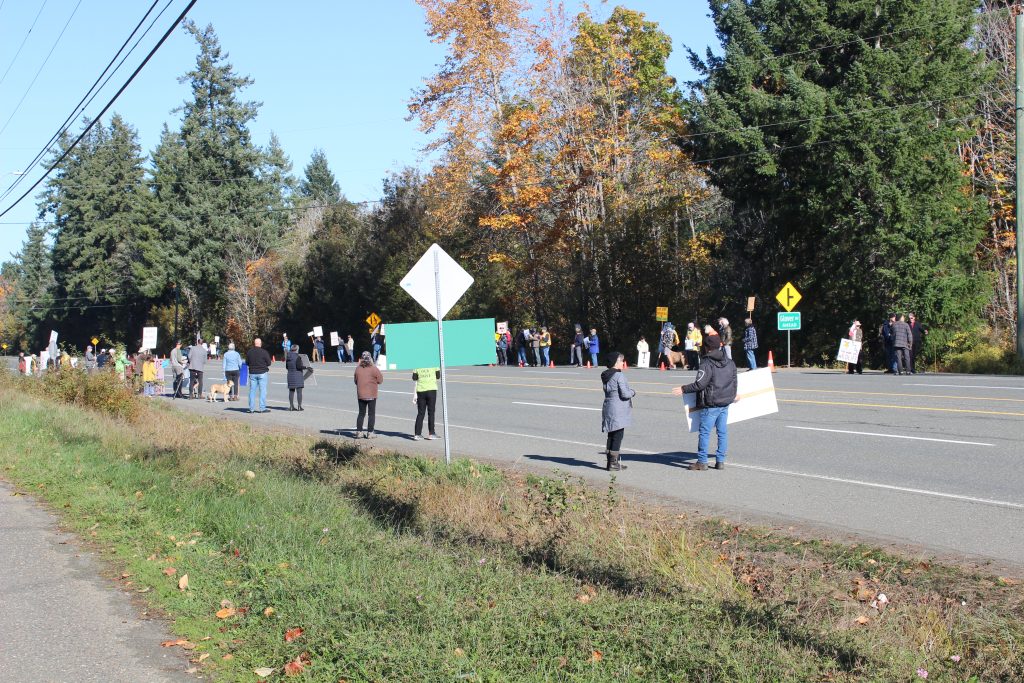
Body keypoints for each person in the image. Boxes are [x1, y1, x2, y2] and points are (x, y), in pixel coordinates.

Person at [673, 334, 738, 471]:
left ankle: (702, 462)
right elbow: (734, 382)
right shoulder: (730, 362)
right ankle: (720, 461)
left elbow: (700, 385)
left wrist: (683, 389)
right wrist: (732, 397)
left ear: (707, 348)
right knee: (722, 432)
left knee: (705, 432)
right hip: (725, 403)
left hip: (711, 404)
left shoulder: (706, 363)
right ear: (720, 345)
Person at [600, 351, 635, 472]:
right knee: (618, 436)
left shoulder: (606, 375)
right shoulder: (619, 376)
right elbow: (625, 394)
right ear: (616, 362)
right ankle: (613, 464)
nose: (623, 363)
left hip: (609, 406)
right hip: (618, 409)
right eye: (621, 361)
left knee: (611, 435)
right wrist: (633, 392)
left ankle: (610, 462)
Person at [354, 351, 383, 438]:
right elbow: (380, 380)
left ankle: (359, 432)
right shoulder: (374, 368)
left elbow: (355, 381)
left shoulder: (358, 368)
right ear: (370, 358)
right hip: (371, 394)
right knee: (371, 414)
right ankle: (370, 433)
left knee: (361, 413)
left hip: (361, 394)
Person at [411, 367, 440, 440]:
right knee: (431, 412)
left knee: (420, 413)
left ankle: (417, 434)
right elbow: (438, 376)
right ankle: (431, 433)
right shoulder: (434, 363)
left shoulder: (417, 365)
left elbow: (414, 378)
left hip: (421, 390)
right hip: (431, 389)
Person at [246, 338, 273, 413]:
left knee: (252, 391)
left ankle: (251, 409)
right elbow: (269, 363)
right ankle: (262, 408)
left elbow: (247, 362)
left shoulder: (249, 352)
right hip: (262, 373)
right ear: (260, 344)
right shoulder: (264, 352)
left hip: (252, 373)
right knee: (262, 391)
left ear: (254, 343)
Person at [285, 344, 309, 411]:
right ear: (297, 349)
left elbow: (287, 367)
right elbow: (299, 367)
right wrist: (306, 367)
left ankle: (291, 406)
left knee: (291, 391)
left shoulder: (288, 356)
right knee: (299, 392)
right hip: (297, 375)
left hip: (290, 375)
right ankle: (299, 406)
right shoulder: (297, 357)